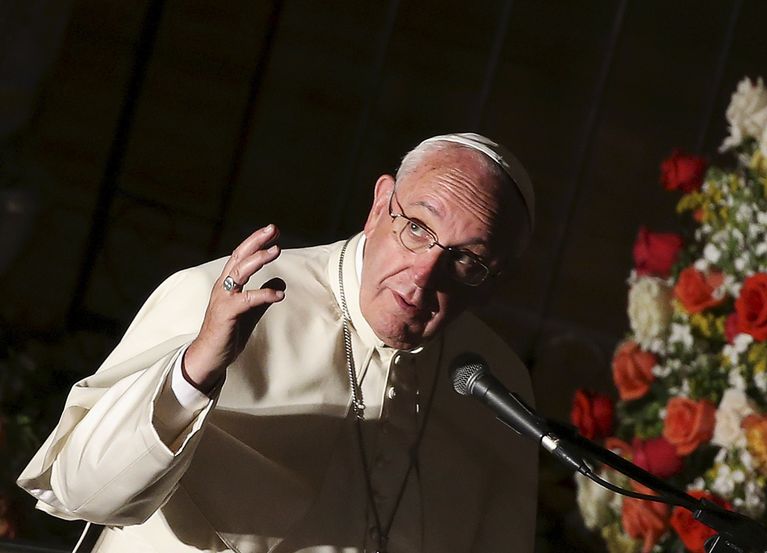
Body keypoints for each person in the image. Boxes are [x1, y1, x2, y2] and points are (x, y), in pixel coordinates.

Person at [18, 133, 539, 552]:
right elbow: (78, 491)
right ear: (381, 204)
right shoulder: (221, 299)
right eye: (418, 228)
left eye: (467, 260)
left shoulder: (497, 382)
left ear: (497, 279)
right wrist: (197, 369)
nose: (423, 275)